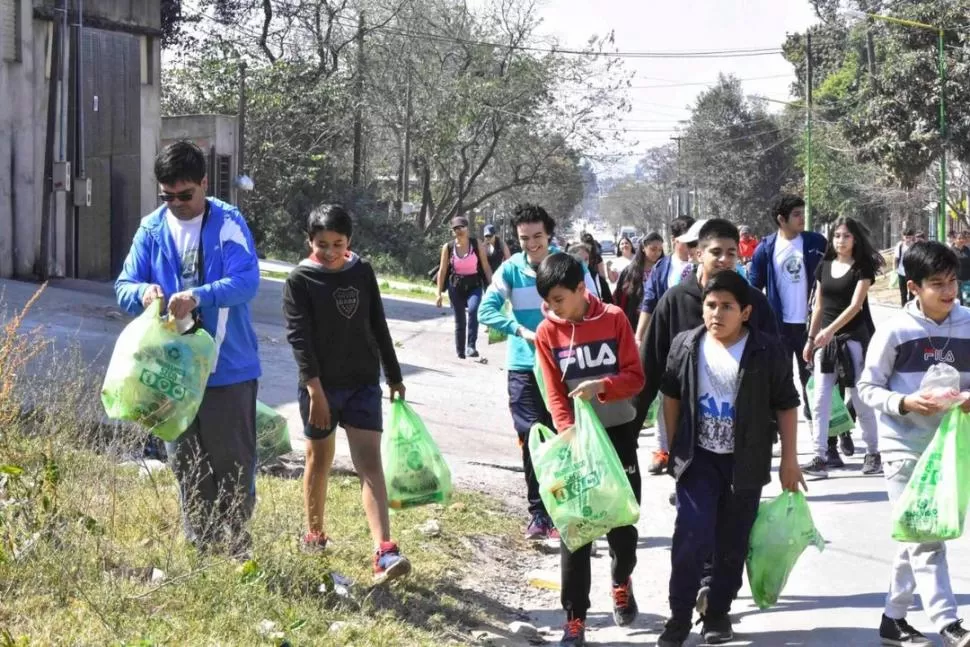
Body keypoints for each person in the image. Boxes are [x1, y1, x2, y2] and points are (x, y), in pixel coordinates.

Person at [115, 141, 262, 556]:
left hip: (226, 369)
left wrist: (197, 296)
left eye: (186, 195)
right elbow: (123, 287)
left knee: (232, 464)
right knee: (186, 464)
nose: (176, 204)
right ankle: (202, 549)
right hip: (172, 371)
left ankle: (237, 545)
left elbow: (246, 282)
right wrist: (143, 293)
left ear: (204, 183)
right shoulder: (152, 228)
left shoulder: (228, 223)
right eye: (167, 196)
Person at [656, 270, 804, 647]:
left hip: (746, 463)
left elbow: (786, 405)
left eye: (726, 307)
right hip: (698, 460)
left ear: (746, 312)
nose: (716, 314)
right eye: (710, 305)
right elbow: (670, 397)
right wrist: (675, 449)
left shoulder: (766, 351)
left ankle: (718, 612)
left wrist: (790, 460)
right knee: (691, 535)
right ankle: (678, 617)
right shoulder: (685, 346)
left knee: (732, 541)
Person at [282, 204, 411, 584]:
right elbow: (299, 341)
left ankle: (385, 551)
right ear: (310, 242)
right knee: (318, 461)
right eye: (322, 244)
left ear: (348, 241)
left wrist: (394, 374)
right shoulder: (300, 280)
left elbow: (377, 323)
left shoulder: (362, 271)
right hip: (319, 387)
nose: (330, 251)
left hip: (362, 384)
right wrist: (315, 392)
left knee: (369, 464)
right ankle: (314, 535)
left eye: (337, 243)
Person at [857, 241, 970, 647]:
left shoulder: (969, 323)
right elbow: (866, 386)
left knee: (912, 531)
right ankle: (949, 621)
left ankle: (893, 617)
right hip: (902, 446)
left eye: (952, 281)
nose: (947, 291)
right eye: (936, 283)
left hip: (950, 448)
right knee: (926, 532)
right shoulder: (894, 331)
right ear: (912, 287)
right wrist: (903, 402)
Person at [533, 253, 646, 647]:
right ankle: (575, 618)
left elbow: (635, 377)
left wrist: (601, 386)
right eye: (548, 302)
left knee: (622, 523)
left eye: (560, 300)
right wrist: (568, 434)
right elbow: (553, 392)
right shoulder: (548, 332)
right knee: (574, 529)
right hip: (576, 443)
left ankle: (621, 579)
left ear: (582, 289)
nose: (553, 309)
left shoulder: (614, 318)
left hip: (617, 435)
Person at [478, 203, 598, 540]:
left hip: (567, 366)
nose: (531, 244)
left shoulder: (570, 266)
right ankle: (539, 513)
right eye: (523, 238)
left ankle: (572, 511)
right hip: (524, 366)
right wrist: (520, 331)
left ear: (550, 235)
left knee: (567, 436)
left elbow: (594, 303)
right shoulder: (510, 270)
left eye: (537, 237)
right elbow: (486, 310)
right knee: (533, 436)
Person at [634, 219, 780, 490]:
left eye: (731, 253)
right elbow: (650, 366)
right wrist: (628, 431)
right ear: (698, 254)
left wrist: (774, 426)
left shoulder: (755, 303)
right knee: (695, 526)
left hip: (744, 438)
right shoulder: (674, 300)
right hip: (690, 438)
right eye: (716, 252)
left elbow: (777, 372)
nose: (724, 259)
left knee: (735, 526)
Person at [801, 217, 883, 479]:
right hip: (826, 342)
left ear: (855, 239)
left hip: (853, 340)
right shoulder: (824, 266)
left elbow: (855, 306)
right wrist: (811, 338)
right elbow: (819, 307)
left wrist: (829, 331)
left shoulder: (862, 268)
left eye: (846, 236)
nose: (841, 240)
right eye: (837, 236)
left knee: (859, 398)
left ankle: (873, 453)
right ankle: (820, 455)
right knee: (820, 399)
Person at [749, 195, 827, 427]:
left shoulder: (816, 243)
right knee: (779, 380)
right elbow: (754, 288)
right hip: (778, 328)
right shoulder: (765, 248)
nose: (802, 218)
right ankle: (774, 431)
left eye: (803, 213)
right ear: (781, 219)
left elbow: (830, 278)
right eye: (796, 215)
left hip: (811, 326)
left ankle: (825, 437)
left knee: (815, 381)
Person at [435, 216, 493, 359]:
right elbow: (442, 271)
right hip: (456, 286)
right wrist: (438, 293)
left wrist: (492, 288)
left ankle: (470, 346)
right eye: (455, 228)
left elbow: (486, 267)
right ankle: (460, 351)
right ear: (452, 231)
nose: (459, 230)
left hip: (474, 285)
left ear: (467, 229)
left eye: (461, 227)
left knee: (473, 311)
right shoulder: (448, 247)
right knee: (460, 318)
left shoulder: (476, 244)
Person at [634, 215, 696, 346]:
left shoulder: (703, 265)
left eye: (695, 241)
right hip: (669, 336)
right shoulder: (660, 268)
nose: (691, 246)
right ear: (674, 240)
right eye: (687, 242)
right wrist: (639, 337)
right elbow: (649, 303)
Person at [613, 232, 664, 330]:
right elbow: (621, 298)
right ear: (643, 248)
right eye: (653, 249)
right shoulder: (630, 271)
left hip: (657, 321)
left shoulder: (663, 270)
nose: (657, 253)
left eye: (660, 250)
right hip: (633, 321)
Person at [580, 232, 614, 304]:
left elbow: (602, 275)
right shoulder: (596, 256)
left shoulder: (596, 257)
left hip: (595, 280)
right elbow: (602, 275)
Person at [894, 229, 916, 307]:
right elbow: (896, 258)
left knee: (912, 292)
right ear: (903, 237)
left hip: (912, 272)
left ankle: (911, 307)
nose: (908, 239)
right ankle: (903, 307)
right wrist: (895, 269)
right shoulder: (900, 245)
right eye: (906, 237)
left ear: (912, 237)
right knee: (903, 292)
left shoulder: (914, 246)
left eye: (909, 237)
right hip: (901, 271)